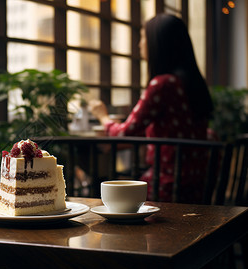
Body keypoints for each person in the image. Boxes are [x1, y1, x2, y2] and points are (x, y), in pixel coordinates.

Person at [89, 14, 213, 203]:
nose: (140, 44)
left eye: (144, 37)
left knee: (104, 198)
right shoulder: (194, 83)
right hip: (197, 187)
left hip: (166, 188)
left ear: (159, 43)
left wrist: (103, 117)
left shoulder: (163, 84)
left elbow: (123, 133)